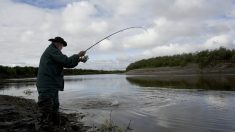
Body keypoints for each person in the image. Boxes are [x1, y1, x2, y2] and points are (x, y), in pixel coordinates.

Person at [36, 36, 88, 127]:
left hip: (52, 85)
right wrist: (78, 55)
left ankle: (54, 126)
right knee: (46, 109)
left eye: (63, 46)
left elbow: (68, 64)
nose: (62, 47)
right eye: (62, 45)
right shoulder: (52, 50)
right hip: (47, 85)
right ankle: (43, 126)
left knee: (55, 106)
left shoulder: (53, 51)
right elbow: (66, 61)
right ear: (56, 43)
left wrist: (79, 60)